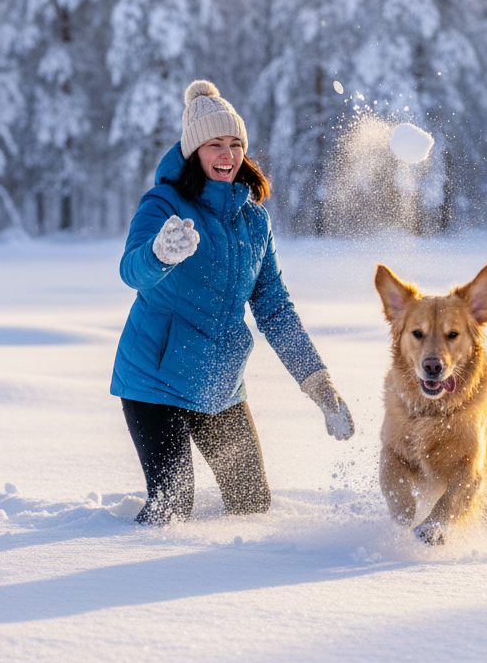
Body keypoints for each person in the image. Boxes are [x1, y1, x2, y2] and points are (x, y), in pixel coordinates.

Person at [111, 79, 354, 525]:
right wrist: (159, 254)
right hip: (154, 381)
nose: (227, 155)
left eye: (235, 144)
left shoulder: (254, 221)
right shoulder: (164, 204)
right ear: (193, 151)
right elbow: (132, 271)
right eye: (215, 144)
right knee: (172, 508)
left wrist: (317, 382)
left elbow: (275, 310)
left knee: (251, 504)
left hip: (218, 386)